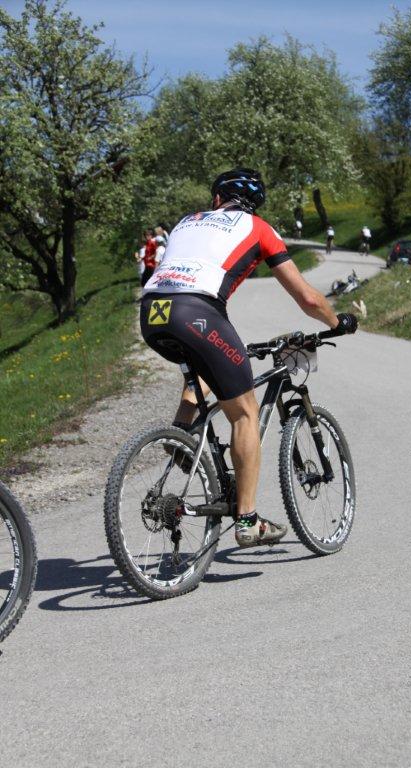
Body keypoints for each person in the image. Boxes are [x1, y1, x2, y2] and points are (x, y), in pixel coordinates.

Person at [140, 168, 344, 548]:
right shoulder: (259, 228)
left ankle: (180, 434)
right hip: (196, 314)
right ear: (254, 204)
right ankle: (248, 521)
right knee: (245, 412)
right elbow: (308, 298)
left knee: (204, 366)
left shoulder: (187, 221)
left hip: (152, 314)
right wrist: (338, 322)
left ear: (217, 199)